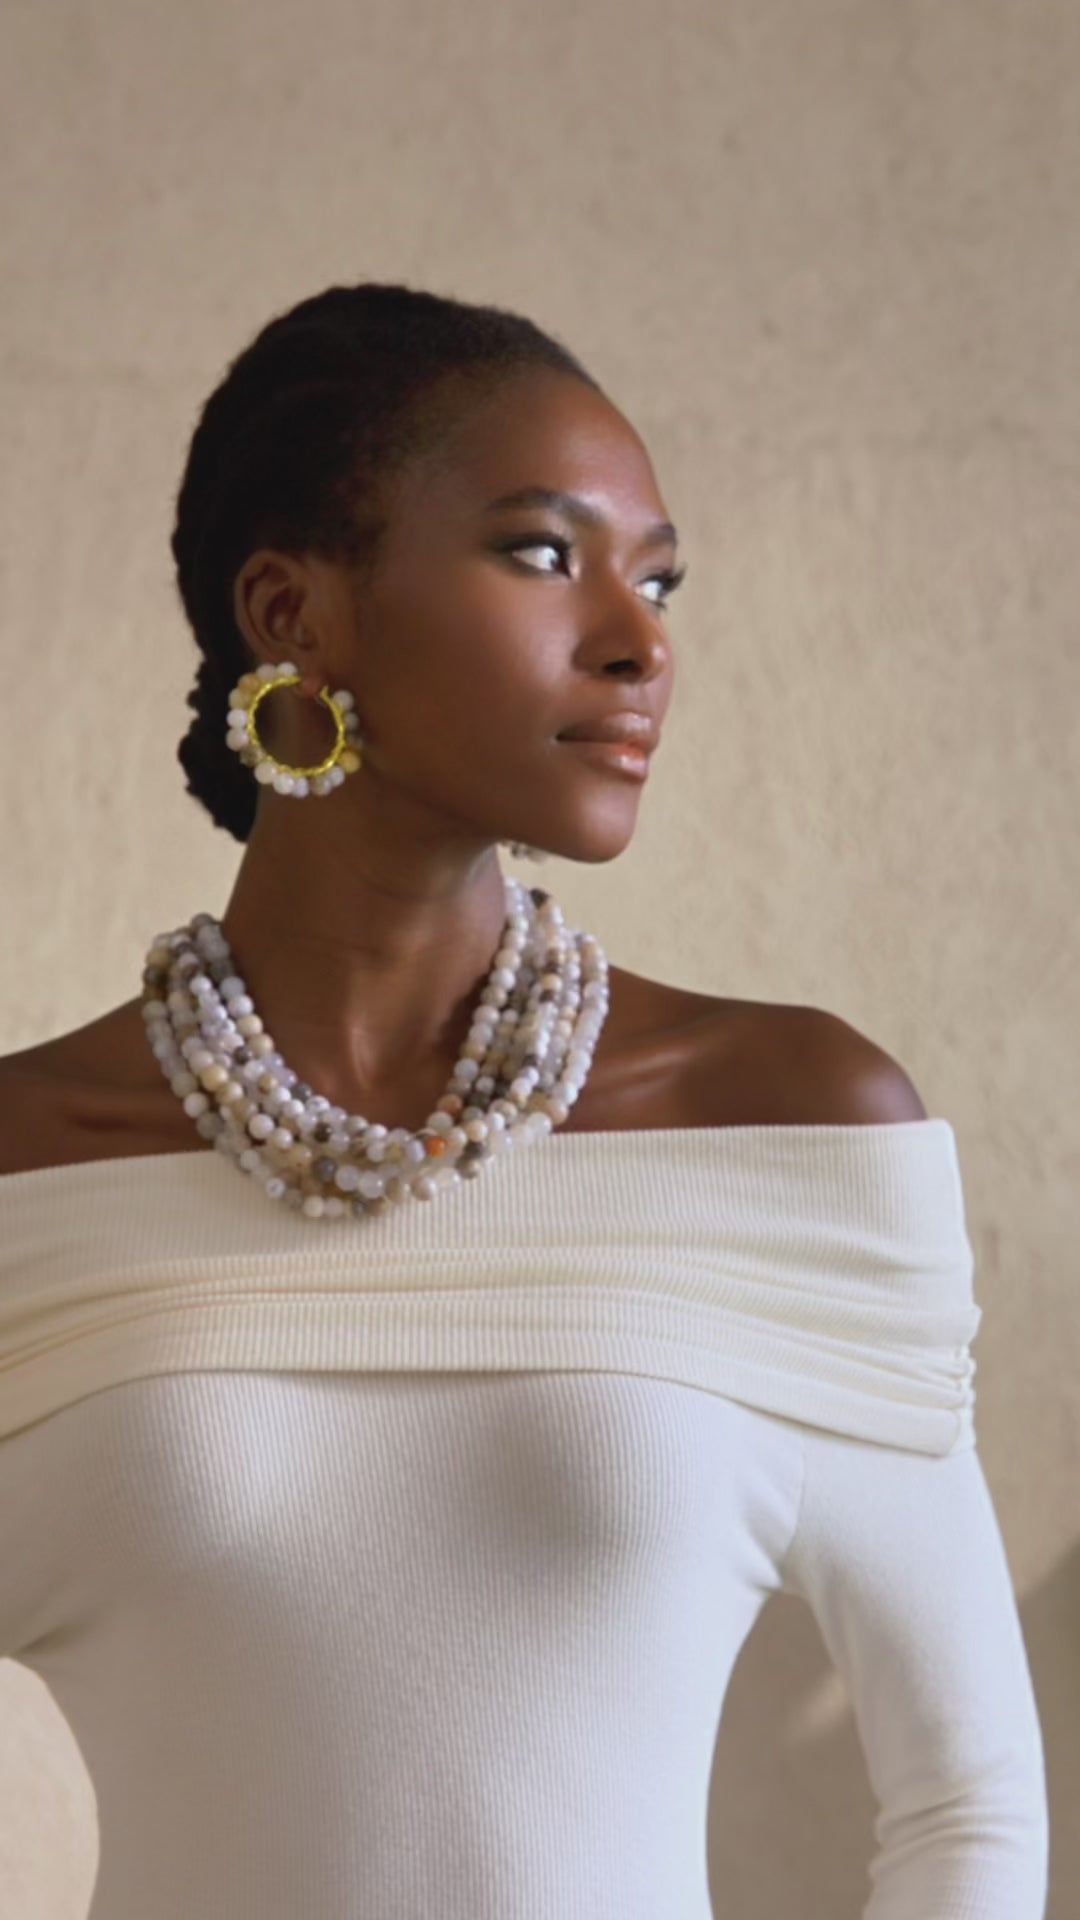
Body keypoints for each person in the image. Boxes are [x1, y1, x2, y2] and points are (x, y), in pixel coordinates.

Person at [0, 281, 1048, 1916]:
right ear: (294, 612)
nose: (640, 640)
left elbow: (967, 1804)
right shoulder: (27, 1170)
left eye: (661, 576)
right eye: (545, 554)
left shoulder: (791, 1129)